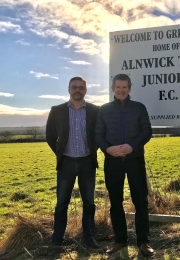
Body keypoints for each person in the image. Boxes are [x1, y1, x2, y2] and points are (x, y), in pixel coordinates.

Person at [95, 74, 154, 257]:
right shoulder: (104, 110)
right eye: (118, 87)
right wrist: (107, 149)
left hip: (135, 160)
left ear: (130, 88)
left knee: (140, 202)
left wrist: (131, 146)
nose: (121, 90)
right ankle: (120, 240)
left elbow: (146, 131)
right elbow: (98, 134)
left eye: (124, 87)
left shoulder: (139, 108)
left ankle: (143, 241)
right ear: (113, 88)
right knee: (116, 202)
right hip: (112, 162)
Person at [46, 76, 100, 248]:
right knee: (62, 203)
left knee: (89, 202)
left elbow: (99, 134)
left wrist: (93, 150)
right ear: (68, 89)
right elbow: (50, 136)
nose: (78, 90)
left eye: (81, 87)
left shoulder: (94, 110)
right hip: (66, 163)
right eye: (74, 87)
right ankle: (57, 239)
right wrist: (61, 153)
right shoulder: (57, 110)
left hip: (87, 162)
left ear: (86, 90)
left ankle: (89, 236)